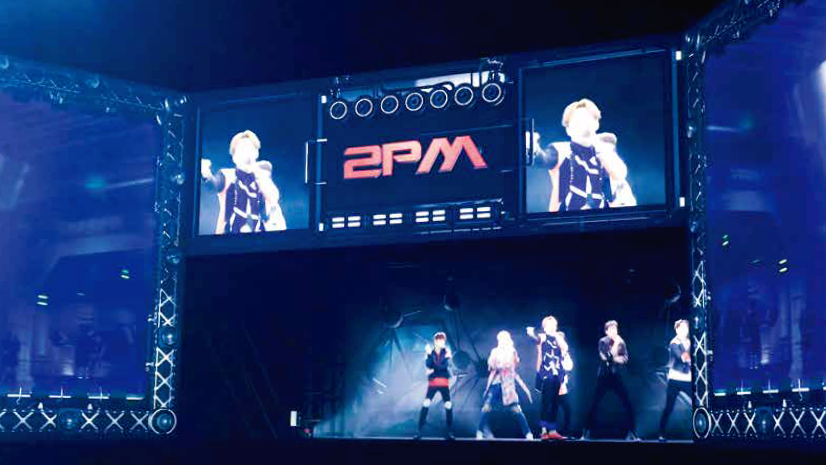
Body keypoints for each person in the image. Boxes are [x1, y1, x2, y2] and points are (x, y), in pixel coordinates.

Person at [529, 99, 634, 212]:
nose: (583, 125)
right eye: (578, 121)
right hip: (568, 218)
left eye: (587, 119)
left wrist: (602, 151)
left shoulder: (604, 151)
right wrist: (532, 149)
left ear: (596, 124)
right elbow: (543, 159)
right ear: (568, 129)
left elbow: (620, 175)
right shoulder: (561, 150)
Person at [201, 130, 287, 234]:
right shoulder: (227, 175)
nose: (246, 153)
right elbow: (213, 185)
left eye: (250, 149)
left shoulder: (262, 175)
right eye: (241, 149)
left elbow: (273, 198)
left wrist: (256, 171)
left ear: (256, 153)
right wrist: (206, 173)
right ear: (234, 157)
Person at [581, 320, 639, 441]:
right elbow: (606, 357)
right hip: (604, 376)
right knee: (594, 404)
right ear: (606, 331)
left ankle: (632, 433)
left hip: (616, 375)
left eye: (615, 329)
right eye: (611, 329)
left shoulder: (622, 342)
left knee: (628, 403)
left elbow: (625, 358)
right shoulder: (603, 341)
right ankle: (586, 432)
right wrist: (616, 346)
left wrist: (616, 357)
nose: (614, 331)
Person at [477, 331, 534, 440]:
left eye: (504, 339)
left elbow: (511, 364)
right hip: (496, 383)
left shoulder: (512, 351)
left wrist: (501, 365)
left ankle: (528, 433)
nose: (502, 341)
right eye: (500, 339)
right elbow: (491, 365)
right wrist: (498, 365)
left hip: (508, 385)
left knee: (516, 410)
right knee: (486, 408)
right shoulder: (495, 351)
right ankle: (480, 432)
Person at [526, 316, 573, 440]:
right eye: (550, 325)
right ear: (545, 327)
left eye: (554, 325)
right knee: (546, 403)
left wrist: (556, 335)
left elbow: (565, 348)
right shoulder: (543, 337)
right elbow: (537, 339)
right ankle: (543, 431)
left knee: (555, 403)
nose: (552, 327)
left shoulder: (558, 338)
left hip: (558, 374)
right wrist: (531, 334)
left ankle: (552, 430)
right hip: (547, 374)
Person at [414, 332, 454, 440]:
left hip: (443, 382)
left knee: (448, 405)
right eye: (440, 340)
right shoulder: (430, 353)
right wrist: (428, 355)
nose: (442, 342)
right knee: (426, 404)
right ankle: (419, 432)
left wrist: (432, 361)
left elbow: (443, 366)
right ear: (436, 341)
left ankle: (449, 432)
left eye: (443, 340)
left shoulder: (447, 352)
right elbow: (428, 365)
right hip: (433, 383)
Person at [658, 319, 692, 442]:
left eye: (686, 328)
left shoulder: (691, 341)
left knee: (698, 403)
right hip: (675, 379)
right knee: (669, 407)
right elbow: (683, 357)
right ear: (677, 330)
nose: (684, 330)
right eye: (681, 328)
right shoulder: (674, 343)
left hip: (688, 379)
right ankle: (661, 433)